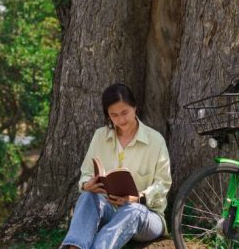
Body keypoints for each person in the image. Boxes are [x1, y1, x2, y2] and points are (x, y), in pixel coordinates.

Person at [61, 83, 171, 249]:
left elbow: (163, 184)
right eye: (114, 115)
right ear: (108, 115)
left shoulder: (155, 140)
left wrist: (139, 198)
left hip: (146, 215)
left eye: (125, 112)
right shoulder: (100, 136)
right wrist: (87, 184)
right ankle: (75, 247)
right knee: (87, 196)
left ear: (135, 108)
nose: (121, 119)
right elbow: (87, 172)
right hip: (109, 210)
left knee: (133, 210)